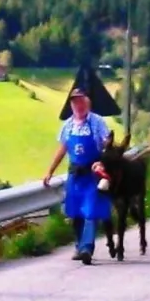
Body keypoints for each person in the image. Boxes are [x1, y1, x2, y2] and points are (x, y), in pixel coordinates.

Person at [42, 86, 113, 265]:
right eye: (74, 102)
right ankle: (78, 245)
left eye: (81, 101)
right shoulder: (68, 125)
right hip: (75, 175)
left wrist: (104, 159)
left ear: (87, 103)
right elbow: (62, 149)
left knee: (90, 211)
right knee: (75, 213)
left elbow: (107, 145)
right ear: (71, 105)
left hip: (92, 174)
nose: (78, 106)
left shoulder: (96, 122)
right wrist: (49, 171)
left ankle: (86, 248)